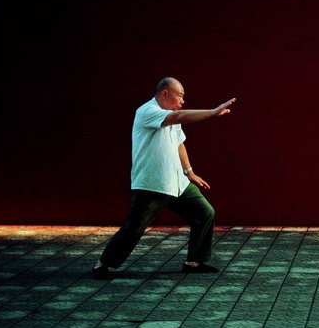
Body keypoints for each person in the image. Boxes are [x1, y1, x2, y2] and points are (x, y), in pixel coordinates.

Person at [93, 77, 236, 280]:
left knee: (205, 213)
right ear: (165, 94)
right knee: (134, 227)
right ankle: (102, 264)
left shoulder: (171, 115)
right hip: (153, 183)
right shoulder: (147, 111)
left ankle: (194, 262)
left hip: (177, 181)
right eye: (180, 96)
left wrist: (189, 172)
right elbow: (177, 117)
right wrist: (212, 113)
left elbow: (179, 144)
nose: (183, 101)